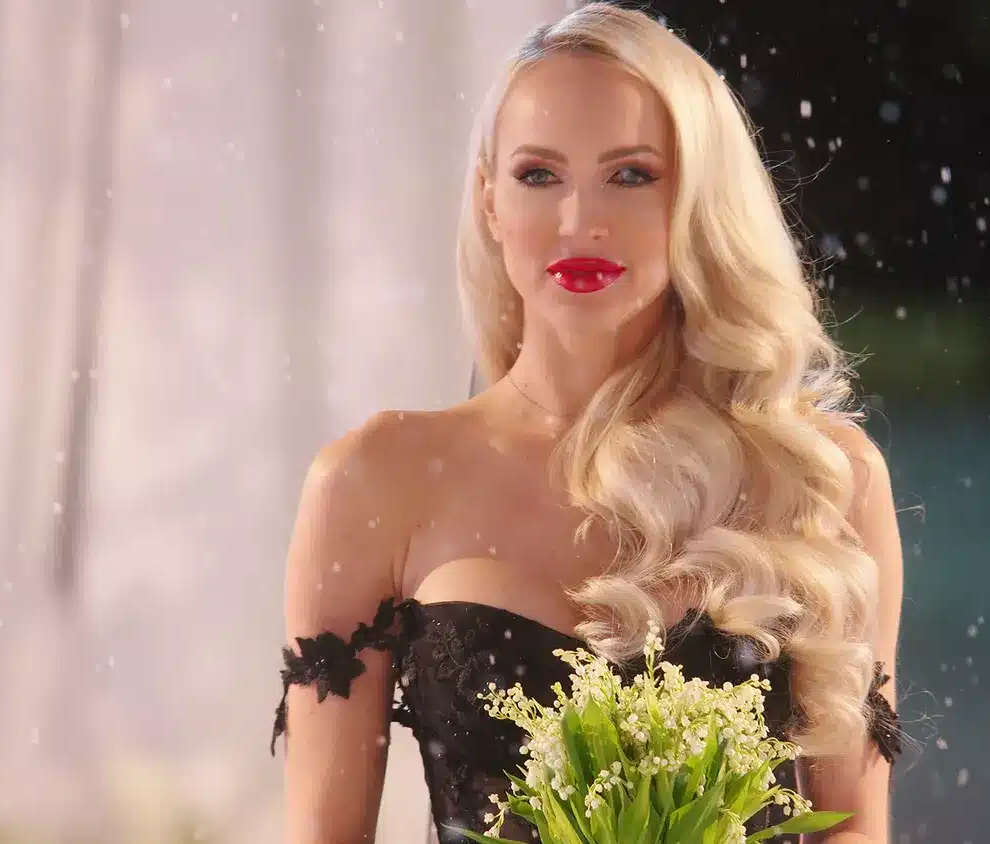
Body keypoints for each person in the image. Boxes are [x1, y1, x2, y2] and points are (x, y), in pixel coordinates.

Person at [271, 4, 905, 842]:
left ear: (697, 199)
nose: (578, 221)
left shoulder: (821, 479)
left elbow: (852, 830)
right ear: (490, 202)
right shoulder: (373, 479)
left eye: (631, 174)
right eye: (539, 174)